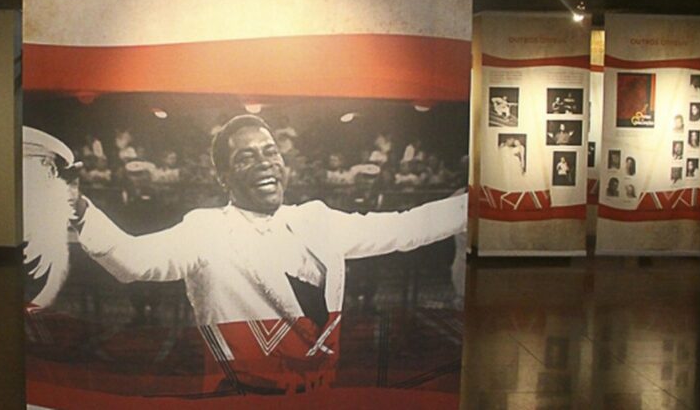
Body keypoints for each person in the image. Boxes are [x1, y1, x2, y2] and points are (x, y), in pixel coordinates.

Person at [71, 115, 466, 394]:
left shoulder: (317, 219)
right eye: (245, 157)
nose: (265, 163)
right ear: (224, 177)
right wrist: (79, 208)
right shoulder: (205, 229)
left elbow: (404, 228)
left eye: (270, 152)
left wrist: (475, 202)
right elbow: (132, 261)